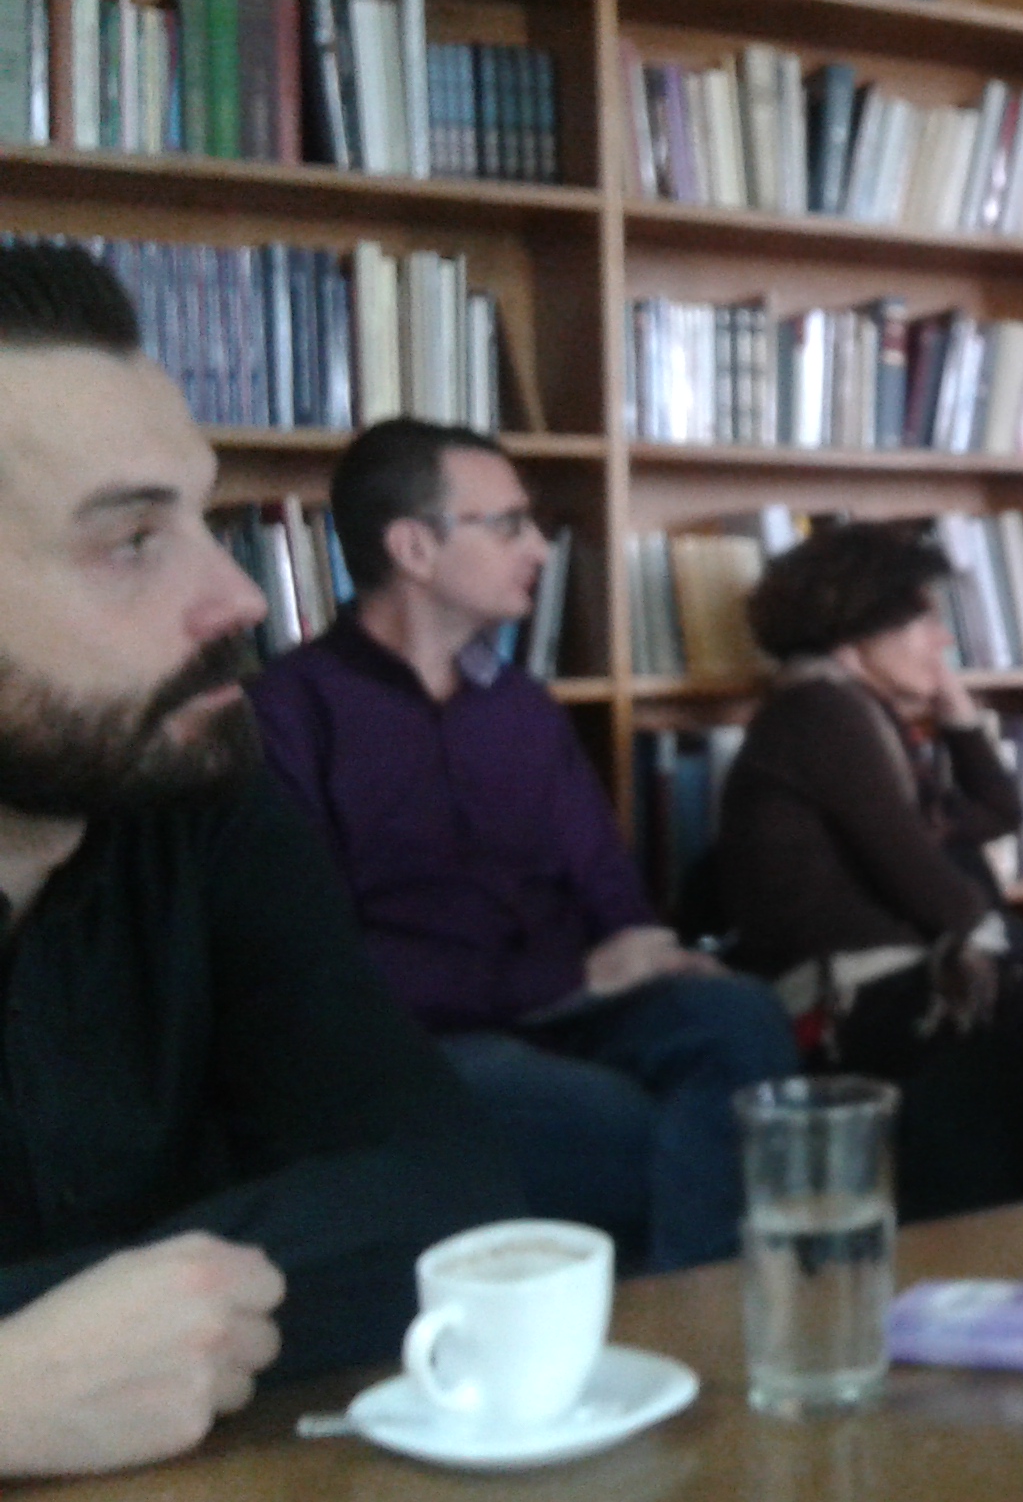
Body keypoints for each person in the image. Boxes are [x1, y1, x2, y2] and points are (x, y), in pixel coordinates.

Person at [0, 243, 517, 1477]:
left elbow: (440, 1191)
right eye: (133, 540)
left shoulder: (196, 796)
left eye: (206, 518)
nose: (239, 596)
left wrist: (96, 1335)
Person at [248, 418, 798, 1274]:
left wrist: (655, 953)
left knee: (739, 1017)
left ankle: (704, 1296)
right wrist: (566, 978)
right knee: (603, 1122)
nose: (540, 548)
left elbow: (603, 878)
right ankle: (690, 1298)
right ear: (413, 548)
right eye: (509, 525)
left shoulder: (522, 709)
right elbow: (315, 961)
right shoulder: (288, 713)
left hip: (571, 1004)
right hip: (419, 1033)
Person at [717, 521, 1023, 1076]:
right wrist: (1011, 948)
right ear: (860, 633)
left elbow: (998, 814)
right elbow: (924, 883)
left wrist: (959, 717)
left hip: (893, 983)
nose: (945, 641)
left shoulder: (852, 713)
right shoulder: (821, 714)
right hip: (860, 1002)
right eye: (926, 622)